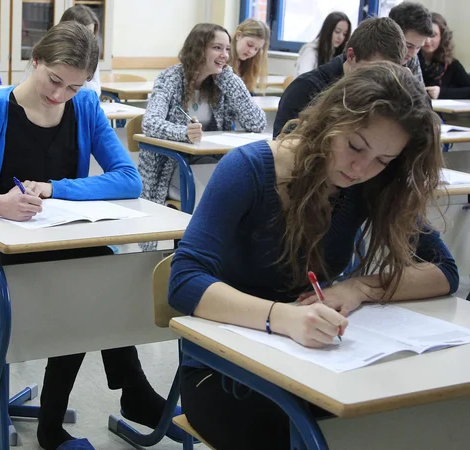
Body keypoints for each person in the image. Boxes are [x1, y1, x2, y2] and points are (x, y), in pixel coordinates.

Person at [171, 61, 458, 450]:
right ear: (331, 117)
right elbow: (184, 280)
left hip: (317, 364)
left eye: (383, 160)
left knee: (414, 419)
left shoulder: (373, 184)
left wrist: (358, 288)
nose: (361, 168)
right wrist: (284, 318)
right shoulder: (249, 170)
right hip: (223, 371)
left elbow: (444, 271)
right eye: (356, 146)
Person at [0, 22, 165, 450]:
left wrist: (56, 188)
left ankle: (125, 394)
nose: (59, 95)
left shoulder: (84, 105)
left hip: (53, 245)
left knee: (106, 267)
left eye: (73, 86)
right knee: (76, 287)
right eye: (54, 80)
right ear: (34, 61)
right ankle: (96, 408)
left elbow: (128, 179)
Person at [139, 23, 266, 209]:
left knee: (243, 188)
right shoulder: (171, 78)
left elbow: (257, 123)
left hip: (208, 163)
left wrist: (229, 79)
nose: (225, 55)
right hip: (171, 168)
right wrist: (184, 133)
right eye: (217, 48)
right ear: (198, 50)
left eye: (227, 49)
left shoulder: (221, 82)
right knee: (219, 197)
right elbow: (150, 123)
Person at [274, 17, 406, 138]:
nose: (378, 81)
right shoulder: (305, 88)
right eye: (372, 71)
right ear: (351, 56)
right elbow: (280, 152)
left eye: (386, 74)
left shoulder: (384, 92)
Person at [20, 4, 102, 96]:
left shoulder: (89, 57)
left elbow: (95, 92)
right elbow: (25, 89)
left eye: (90, 33)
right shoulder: (49, 50)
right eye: (54, 80)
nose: (86, 39)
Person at [419, 12, 470, 99]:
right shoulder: (410, 60)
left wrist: (441, 92)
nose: (427, 41)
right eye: (424, 34)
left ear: (442, 37)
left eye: (433, 35)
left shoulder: (452, 64)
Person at [388, 1, 434, 85]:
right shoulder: (370, 54)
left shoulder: (412, 58)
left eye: (418, 47)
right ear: (391, 34)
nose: (412, 54)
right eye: (408, 46)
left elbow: (421, 97)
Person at [295, 12, 351, 77]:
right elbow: (304, 80)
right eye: (337, 31)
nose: (341, 37)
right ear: (328, 30)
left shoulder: (338, 53)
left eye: (344, 34)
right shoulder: (310, 52)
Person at [229, 18, 270, 93]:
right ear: (238, 35)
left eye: (256, 49)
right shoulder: (222, 59)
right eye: (249, 44)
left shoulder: (250, 64)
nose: (251, 51)